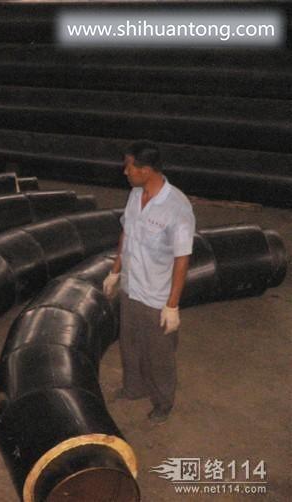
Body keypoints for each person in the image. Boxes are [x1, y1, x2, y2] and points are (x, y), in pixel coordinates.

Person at [103, 140, 196, 424]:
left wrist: (172, 305)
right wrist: (115, 271)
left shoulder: (176, 207)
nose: (125, 171)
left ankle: (163, 402)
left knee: (159, 355)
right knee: (130, 345)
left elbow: (182, 258)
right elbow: (126, 233)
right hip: (131, 288)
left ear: (146, 170)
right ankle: (134, 388)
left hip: (157, 297)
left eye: (129, 167)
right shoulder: (135, 194)